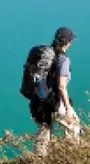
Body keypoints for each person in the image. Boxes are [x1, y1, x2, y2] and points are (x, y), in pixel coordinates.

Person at [31, 27, 81, 156]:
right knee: (73, 126)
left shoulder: (47, 54)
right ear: (68, 42)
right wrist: (68, 108)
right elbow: (61, 86)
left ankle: (38, 161)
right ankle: (71, 156)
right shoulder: (63, 60)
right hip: (54, 101)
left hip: (38, 100)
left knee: (44, 130)